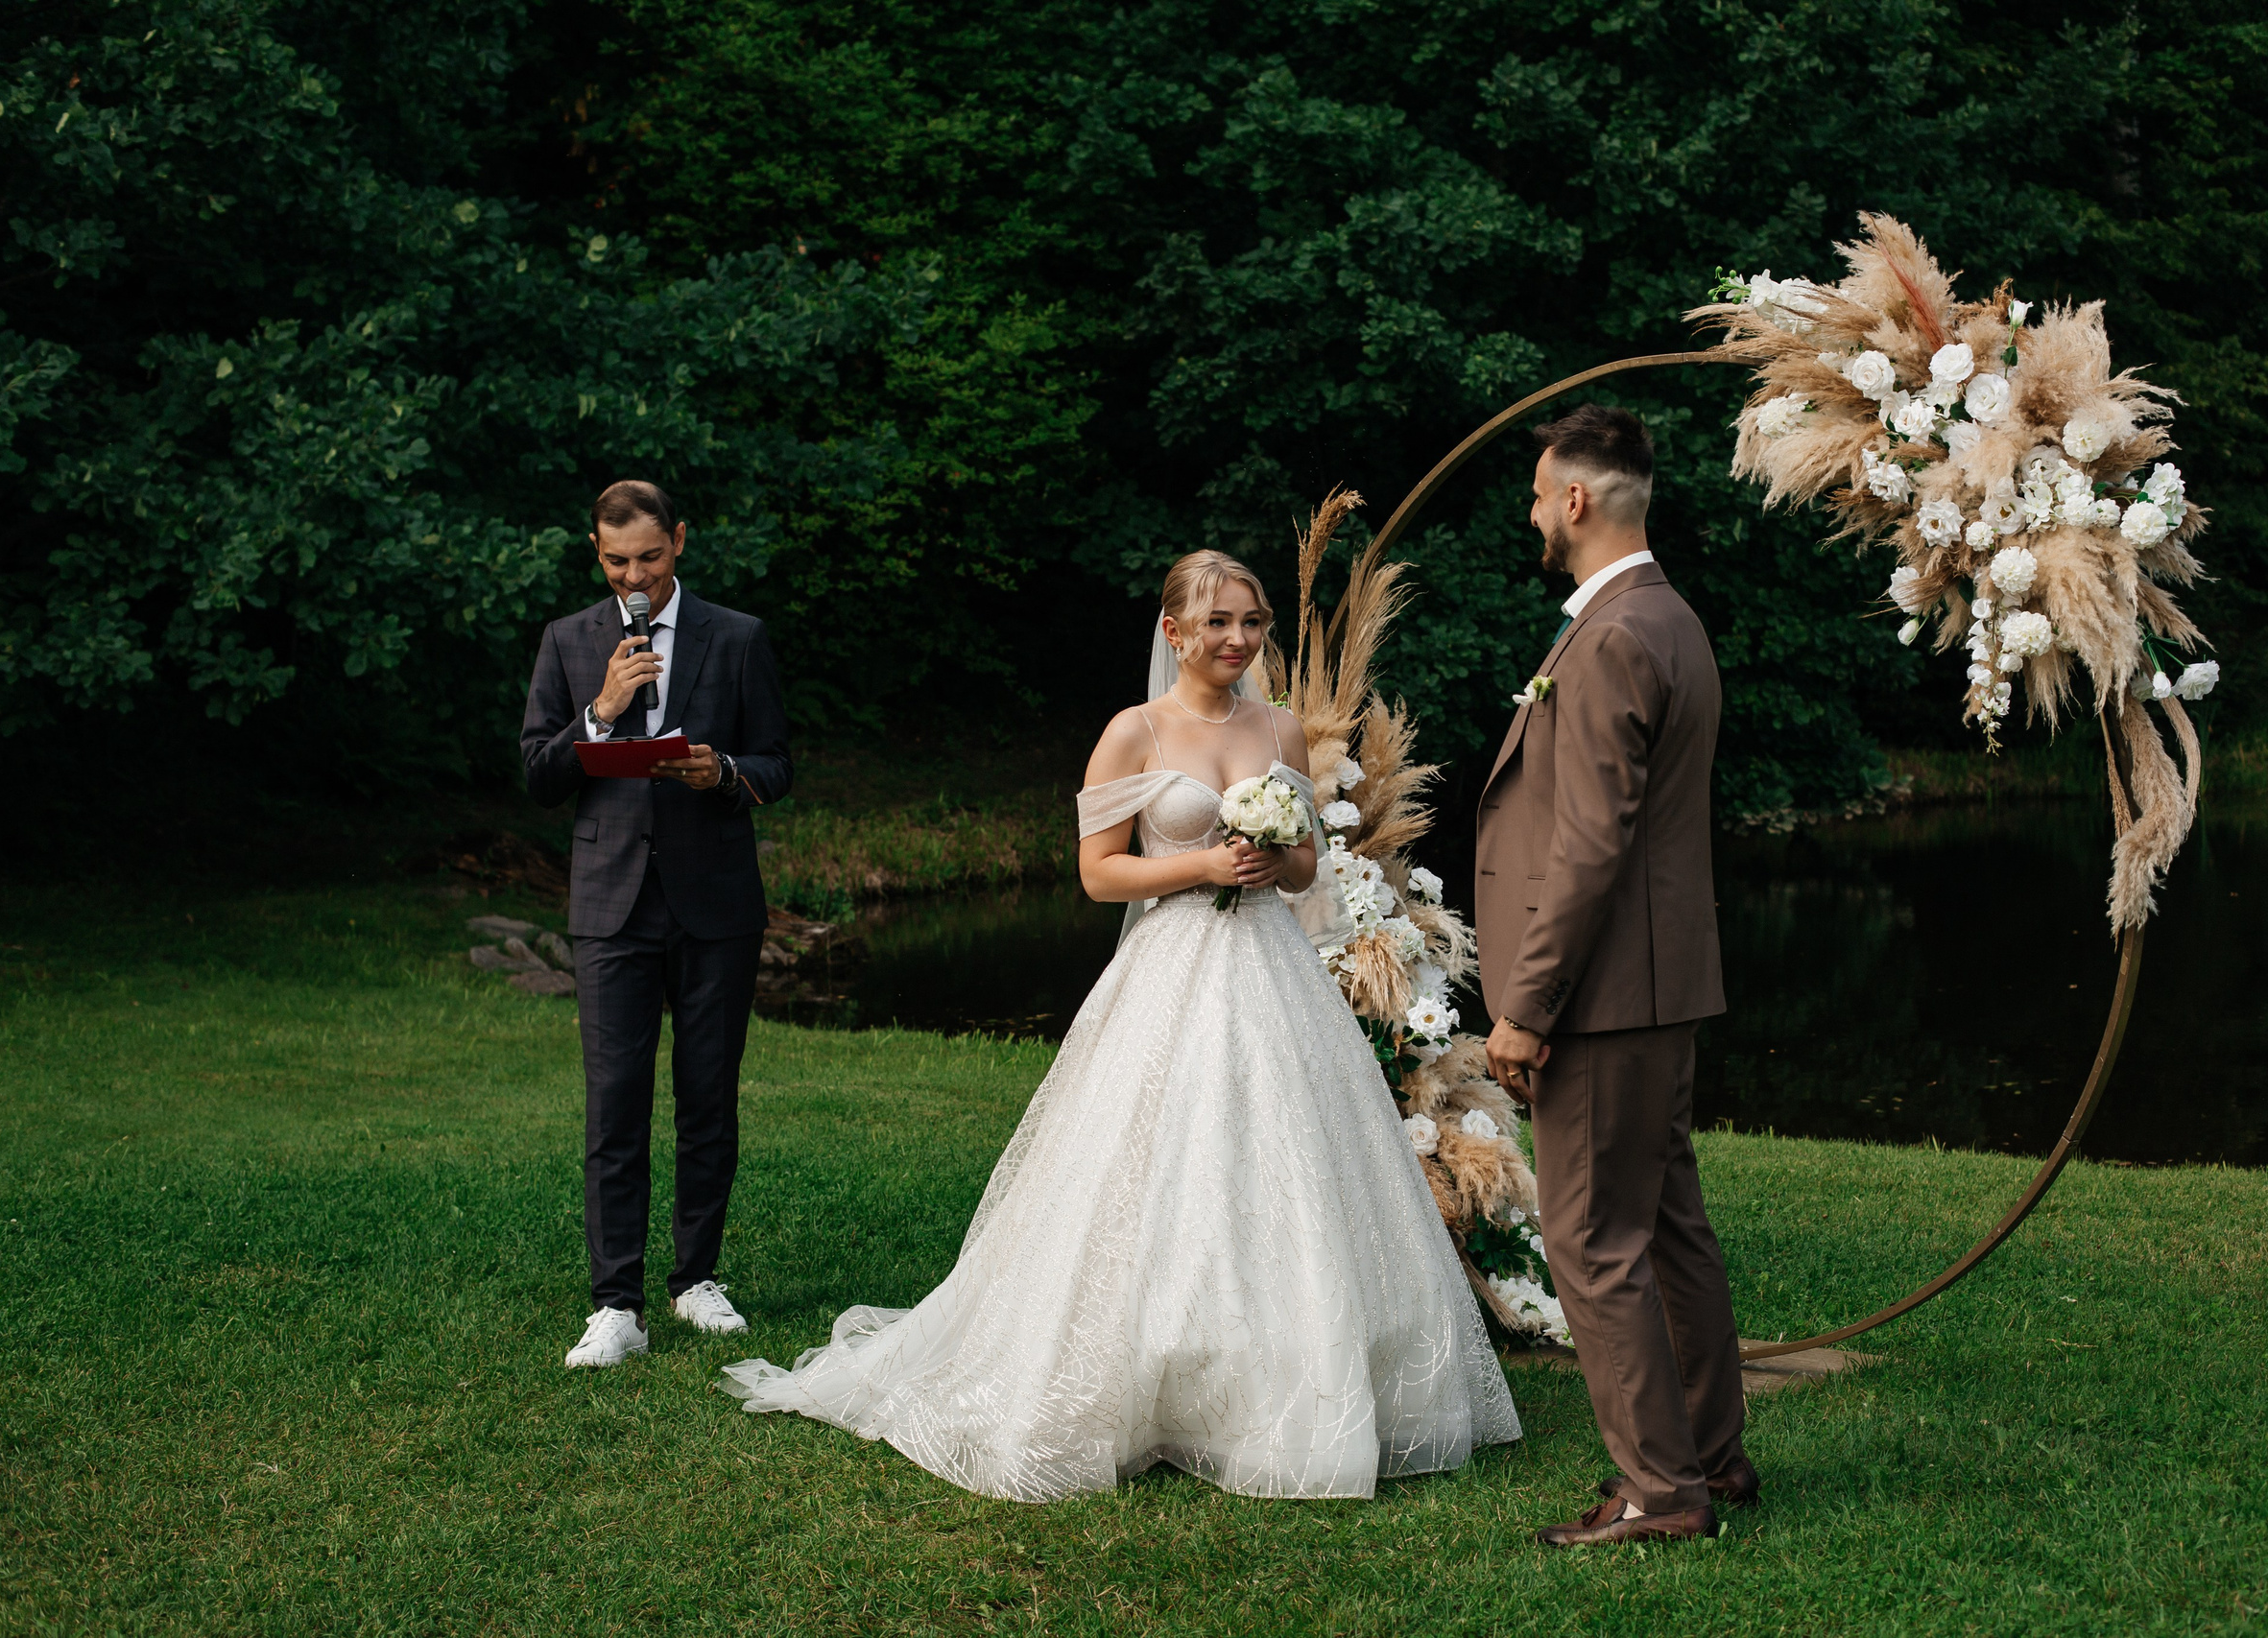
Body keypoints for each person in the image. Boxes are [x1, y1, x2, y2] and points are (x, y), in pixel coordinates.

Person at [720, 550, 1518, 1500]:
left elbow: (1308, 868)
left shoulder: (1278, 729)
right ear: (1173, 631)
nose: (1238, 639)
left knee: (1287, 1159)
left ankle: (1279, 1375)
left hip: (1272, 968)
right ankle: (1144, 1365)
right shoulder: (1133, 732)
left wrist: (1276, 861)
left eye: (1252, 621)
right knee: (1149, 1158)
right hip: (1171, 963)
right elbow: (1098, 873)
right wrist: (1202, 867)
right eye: (1217, 622)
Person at [1476, 404, 1754, 1547]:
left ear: (1577, 499)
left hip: (1600, 997)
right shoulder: (1668, 617)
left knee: (1592, 1242)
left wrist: (1526, 1007)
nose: (1533, 514)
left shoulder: (1610, 637)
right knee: (1668, 1225)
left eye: (1539, 496)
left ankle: (1660, 1493)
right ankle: (1711, 1459)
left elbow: (1590, 846)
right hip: (1658, 984)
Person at [520, 480, 793, 1368]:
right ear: (595, 553)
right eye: (616, 562)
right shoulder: (568, 640)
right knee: (614, 1105)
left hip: (715, 900)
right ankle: (616, 1305)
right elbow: (538, 772)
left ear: (679, 539)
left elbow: (778, 762)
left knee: (708, 1096)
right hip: (610, 904)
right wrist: (599, 710)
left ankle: (696, 1279)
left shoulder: (738, 636)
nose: (634, 577)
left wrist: (725, 772)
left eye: (649, 557)